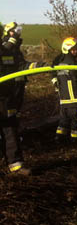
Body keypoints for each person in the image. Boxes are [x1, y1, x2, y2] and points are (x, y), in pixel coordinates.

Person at [0, 22, 45, 174]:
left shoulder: (14, 52)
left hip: (7, 96)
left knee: (10, 128)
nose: (16, 34)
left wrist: (36, 66)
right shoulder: (4, 48)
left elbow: (21, 66)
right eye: (13, 32)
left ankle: (15, 164)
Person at [51, 37, 77, 142]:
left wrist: (56, 83)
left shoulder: (58, 61)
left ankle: (60, 138)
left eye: (76, 49)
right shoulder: (74, 63)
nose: (75, 51)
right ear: (67, 49)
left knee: (63, 120)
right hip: (75, 99)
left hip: (64, 98)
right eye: (73, 49)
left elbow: (53, 75)